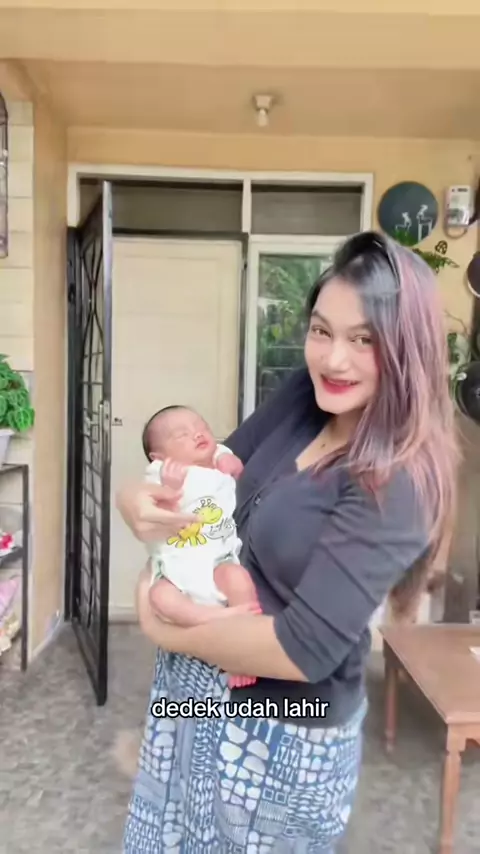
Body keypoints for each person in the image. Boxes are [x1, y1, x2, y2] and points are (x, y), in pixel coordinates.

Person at [117, 231, 459, 853]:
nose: (334, 359)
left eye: (364, 340)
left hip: (284, 724)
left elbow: (304, 652)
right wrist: (132, 498)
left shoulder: (399, 479)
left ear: (408, 349)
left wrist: (161, 625)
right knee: (172, 832)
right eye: (322, 331)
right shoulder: (308, 395)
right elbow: (213, 470)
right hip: (195, 692)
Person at [142, 404, 260, 687]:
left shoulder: (218, 457)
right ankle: (214, 617)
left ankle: (242, 651)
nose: (197, 434)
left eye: (201, 427)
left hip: (218, 559)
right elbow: (152, 515)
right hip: (177, 568)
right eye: (181, 434)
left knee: (238, 579)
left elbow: (233, 464)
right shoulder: (159, 473)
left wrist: (232, 462)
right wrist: (168, 490)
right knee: (159, 596)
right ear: (159, 456)